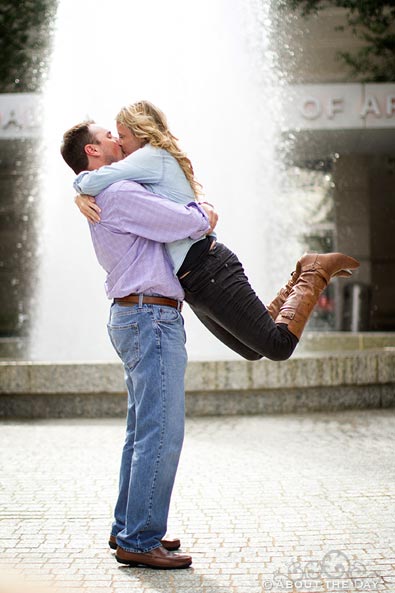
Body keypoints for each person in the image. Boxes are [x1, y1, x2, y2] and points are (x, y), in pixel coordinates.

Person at [74, 101, 360, 361]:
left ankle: (315, 271)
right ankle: (299, 276)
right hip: (193, 281)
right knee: (252, 350)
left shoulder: (150, 156)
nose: (120, 144)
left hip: (207, 268)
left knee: (277, 346)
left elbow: (93, 181)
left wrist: (78, 190)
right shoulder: (143, 164)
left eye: (122, 136)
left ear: (141, 133)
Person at [61, 120, 217, 569]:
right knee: (161, 432)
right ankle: (139, 538)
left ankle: (129, 527)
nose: (118, 137)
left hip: (138, 314)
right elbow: (185, 222)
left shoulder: (106, 192)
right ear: (93, 150)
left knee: (141, 431)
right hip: (150, 316)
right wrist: (206, 207)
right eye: (108, 135)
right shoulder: (122, 193)